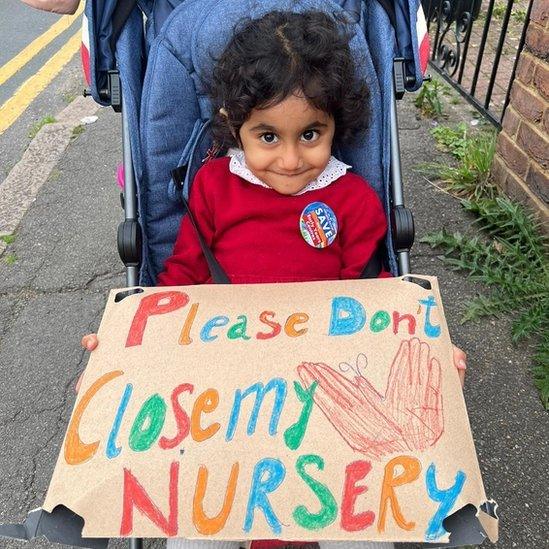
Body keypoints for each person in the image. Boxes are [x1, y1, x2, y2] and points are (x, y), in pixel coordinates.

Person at [81, 11, 467, 549]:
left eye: (311, 134)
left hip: (329, 384)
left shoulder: (351, 200)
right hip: (220, 391)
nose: (289, 159)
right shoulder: (215, 187)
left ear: (337, 123)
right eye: (267, 136)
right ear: (233, 126)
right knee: (190, 530)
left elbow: (376, 297)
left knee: (367, 529)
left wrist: (423, 354)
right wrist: (125, 352)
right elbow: (180, 279)